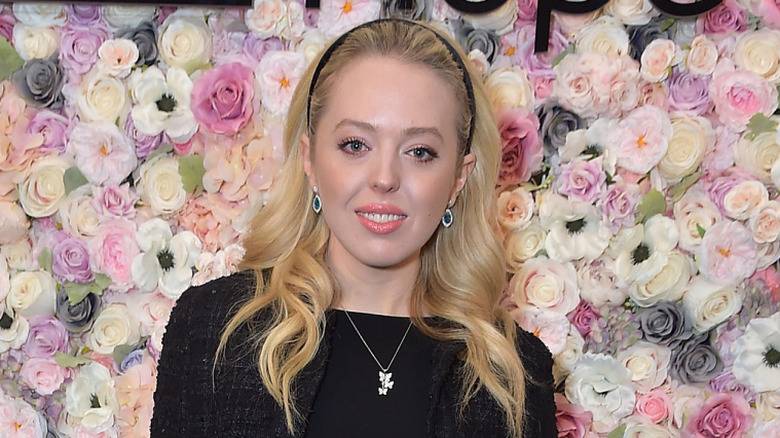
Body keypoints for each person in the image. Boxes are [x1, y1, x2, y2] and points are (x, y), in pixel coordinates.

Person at [150, 17, 557, 438]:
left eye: (420, 151)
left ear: (458, 178)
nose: (384, 178)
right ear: (309, 158)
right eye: (355, 145)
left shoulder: (514, 375)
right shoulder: (215, 330)